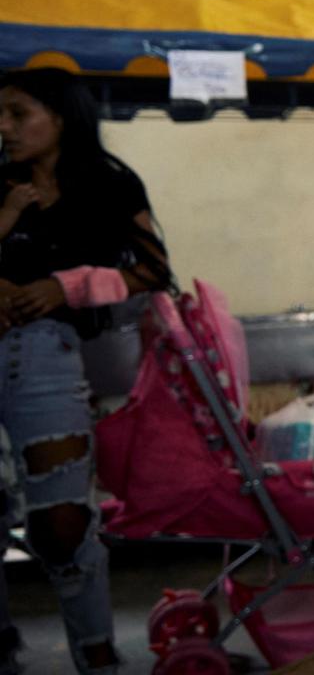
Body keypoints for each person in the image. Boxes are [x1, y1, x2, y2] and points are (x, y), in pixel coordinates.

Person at [0, 68, 172, 675]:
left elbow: (152, 272)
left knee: (62, 523)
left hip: (44, 355)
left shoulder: (107, 183)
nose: (4, 128)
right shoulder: (1, 183)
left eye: (19, 114)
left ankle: (97, 654)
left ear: (62, 116)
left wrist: (64, 287)